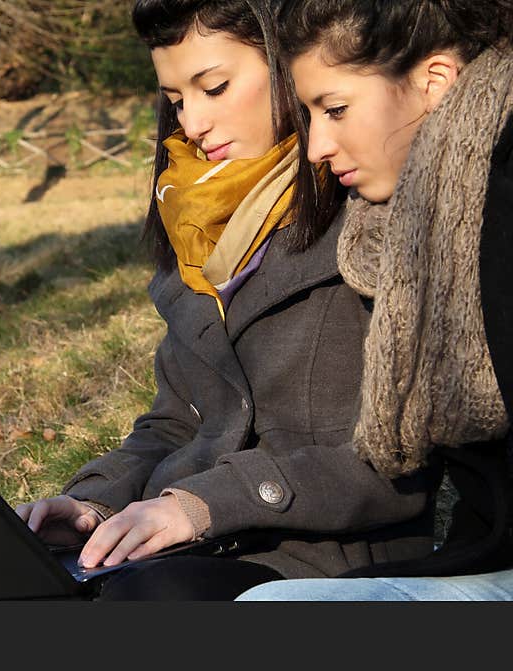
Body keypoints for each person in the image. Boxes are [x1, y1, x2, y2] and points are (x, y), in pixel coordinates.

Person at [11, 0, 443, 602]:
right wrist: (94, 502)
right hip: (179, 546)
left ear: (288, 62)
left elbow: (396, 464)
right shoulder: (194, 224)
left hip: (317, 566)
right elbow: (174, 423)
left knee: (154, 602)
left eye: (214, 87)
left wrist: (205, 505)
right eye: (178, 100)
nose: (192, 124)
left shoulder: (373, 211)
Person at [236, 0, 513, 601]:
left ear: (434, 80)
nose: (316, 147)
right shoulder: (394, 230)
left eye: (335, 109)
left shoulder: (498, 199)